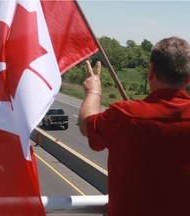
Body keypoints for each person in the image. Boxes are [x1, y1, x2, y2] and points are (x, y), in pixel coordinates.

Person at [78, 37, 190, 216]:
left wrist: (94, 91)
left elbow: (86, 125)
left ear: (151, 71)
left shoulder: (125, 116)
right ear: (188, 78)